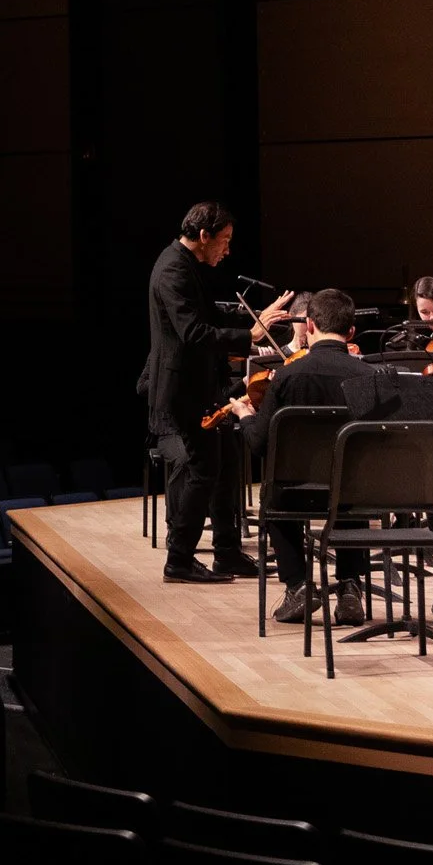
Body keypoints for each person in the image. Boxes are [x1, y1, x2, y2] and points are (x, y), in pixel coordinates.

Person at [139, 201, 289, 583]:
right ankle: (179, 559)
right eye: (223, 241)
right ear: (203, 236)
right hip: (183, 390)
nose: (227, 249)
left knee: (224, 462)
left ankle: (226, 552)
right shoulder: (173, 269)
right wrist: (249, 336)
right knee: (205, 468)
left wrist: (254, 318)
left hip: (202, 385)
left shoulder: (187, 265)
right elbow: (194, 332)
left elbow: (209, 315)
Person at [225, 287, 378, 624]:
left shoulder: (287, 377)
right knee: (350, 481)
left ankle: (298, 586)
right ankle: (350, 586)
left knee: (271, 495)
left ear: (309, 326)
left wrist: (245, 415)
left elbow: (260, 445)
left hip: (297, 495)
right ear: (351, 332)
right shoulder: (370, 377)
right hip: (354, 496)